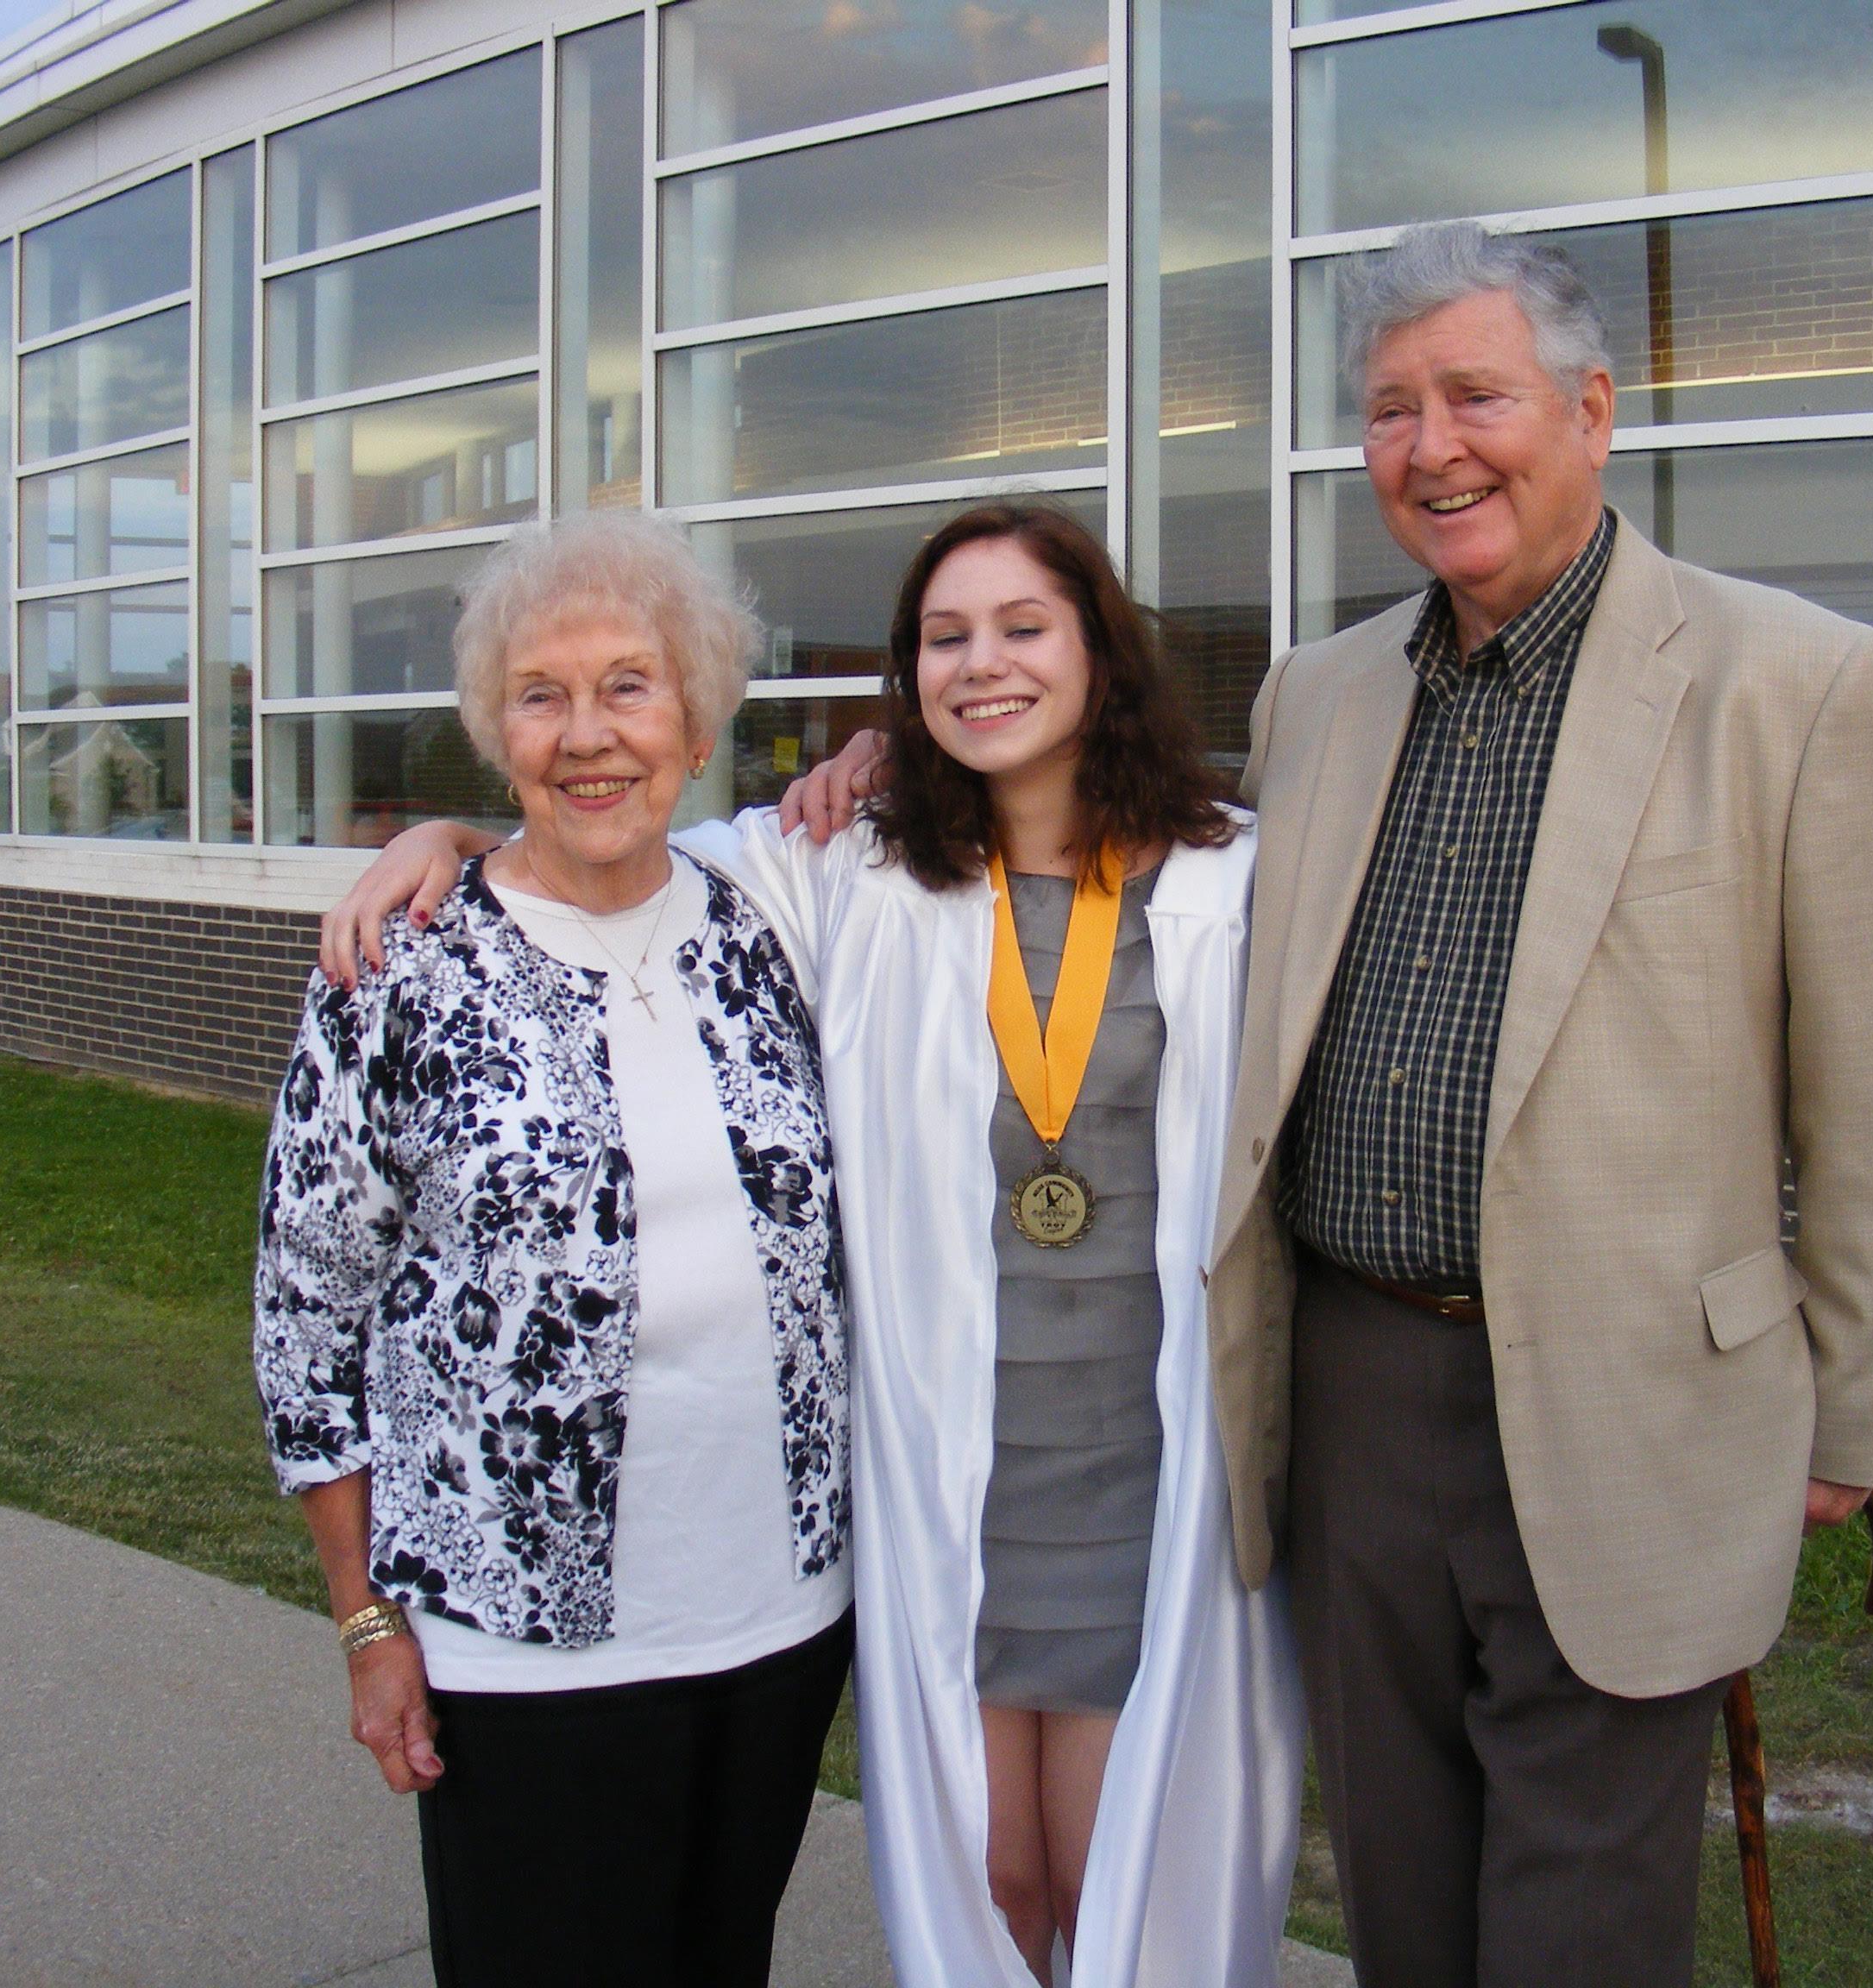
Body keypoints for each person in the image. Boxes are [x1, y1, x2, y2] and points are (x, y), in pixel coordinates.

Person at [788, 223, 1873, 1986]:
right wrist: (892, 749)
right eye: (1392, 410)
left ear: (1589, 409)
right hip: (1350, 1389)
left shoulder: (1792, 686)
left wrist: (1845, 1419)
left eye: (1476, 396)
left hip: (1635, 1394)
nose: (1434, 448)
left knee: (1574, 1908)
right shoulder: (1322, 699)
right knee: (1404, 1878)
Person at [324, 505, 1306, 1987]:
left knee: (1127, 1870)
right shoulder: (848, 877)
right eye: (944, 638)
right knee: (999, 1870)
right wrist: (443, 838)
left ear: (1099, 651)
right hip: (948, 1475)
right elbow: (606, 846)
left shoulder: (1239, 878)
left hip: (1150, 1470)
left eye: (1022, 628)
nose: (982, 665)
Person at [254, 513, 854, 1988]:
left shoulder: (763, 924)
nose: (589, 737)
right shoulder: (400, 968)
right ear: (494, 729)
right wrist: (363, 1622)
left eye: (630, 687)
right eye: (542, 694)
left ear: (700, 720)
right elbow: (303, 1324)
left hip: (777, 1616)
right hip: (516, 1643)